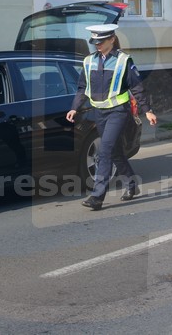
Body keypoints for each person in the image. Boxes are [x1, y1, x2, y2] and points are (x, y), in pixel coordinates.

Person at [66, 24, 158, 211]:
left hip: (118, 112)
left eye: (101, 42)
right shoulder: (89, 61)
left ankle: (97, 197)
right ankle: (132, 185)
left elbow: (136, 87)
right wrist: (75, 107)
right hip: (99, 113)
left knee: (104, 151)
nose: (97, 45)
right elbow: (82, 87)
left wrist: (147, 110)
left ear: (112, 39)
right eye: (95, 42)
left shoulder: (123, 61)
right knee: (115, 152)